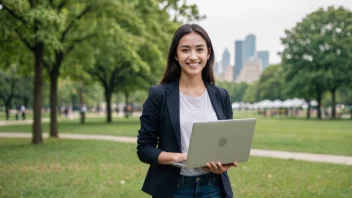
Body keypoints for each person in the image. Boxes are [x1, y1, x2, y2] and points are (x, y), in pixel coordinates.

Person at [137, 24, 237, 198]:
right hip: (174, 189)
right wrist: (182, 157)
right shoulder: (159, 95)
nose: (193, 56)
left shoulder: (221, 95)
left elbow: (225, 144)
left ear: (208, 53)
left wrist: (224, 163)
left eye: (199, 49)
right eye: (185, 50)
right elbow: (144, 149)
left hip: (213, 188)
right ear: (176, 55)